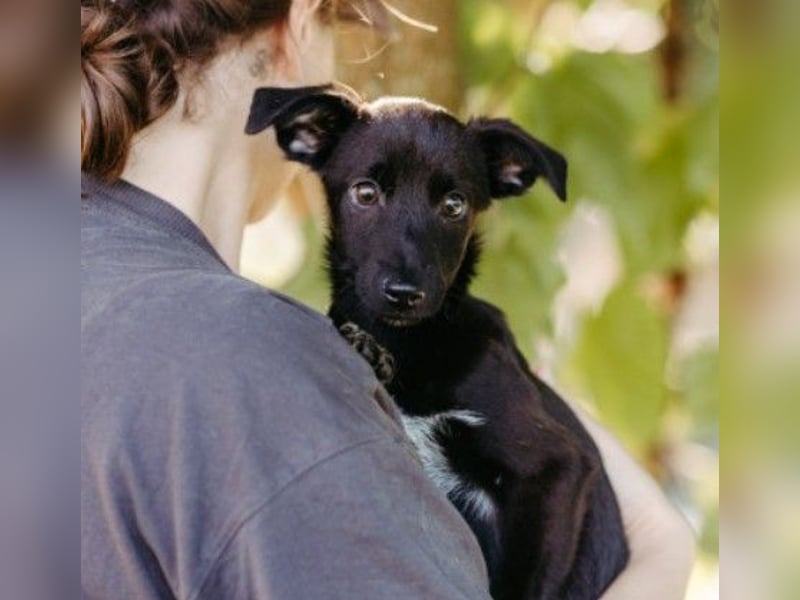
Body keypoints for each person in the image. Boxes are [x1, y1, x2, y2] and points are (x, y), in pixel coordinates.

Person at [80, 0, 695, 598]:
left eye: (449, 205)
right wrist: (663, 548)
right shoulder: (261, 363)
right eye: (369, 195)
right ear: (300, 24)